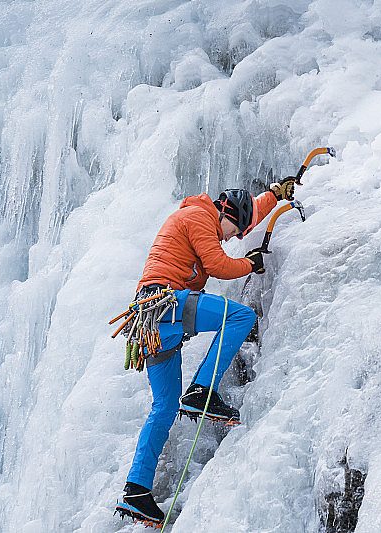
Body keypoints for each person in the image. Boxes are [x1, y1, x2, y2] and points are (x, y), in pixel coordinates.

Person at [115, 178, 296, 527]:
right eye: (233, 231)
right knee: (240, 315)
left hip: (151, 322)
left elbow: (249, 214)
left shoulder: (213, 219)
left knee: (164, 406)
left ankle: (136, 490)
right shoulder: (198, 216)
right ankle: (202, 391)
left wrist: (274, 194)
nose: (232, 238)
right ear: (224, 213)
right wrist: (250, 264)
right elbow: (218, 266)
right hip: (165, 303)